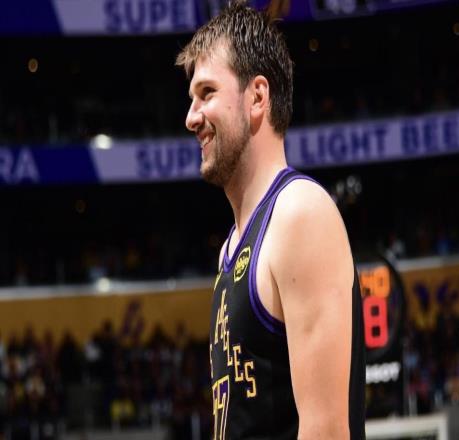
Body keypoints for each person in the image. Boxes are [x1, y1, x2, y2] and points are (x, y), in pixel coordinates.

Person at [176, 1, 365, 438]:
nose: (191, 117)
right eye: (191, 99)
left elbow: (326, 430)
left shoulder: (299, 214)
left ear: (257, 97)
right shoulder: (232, 248)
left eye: (207, 93)